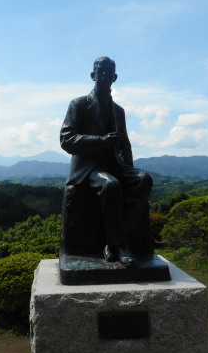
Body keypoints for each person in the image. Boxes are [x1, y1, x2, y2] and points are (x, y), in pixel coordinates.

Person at [60, 56, 153, 266]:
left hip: (114, 164)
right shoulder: (79, 104)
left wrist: (128, 167)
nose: (104, 74)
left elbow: (125, 144)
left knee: (144, 179)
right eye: (100, 70)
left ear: (115, 77)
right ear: (92, 75)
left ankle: (118, 239)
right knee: (110, 185)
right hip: (88, 168)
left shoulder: (118, 110)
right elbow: (67, 139)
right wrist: (101, 141)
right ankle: (119, 245)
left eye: (108, 71)